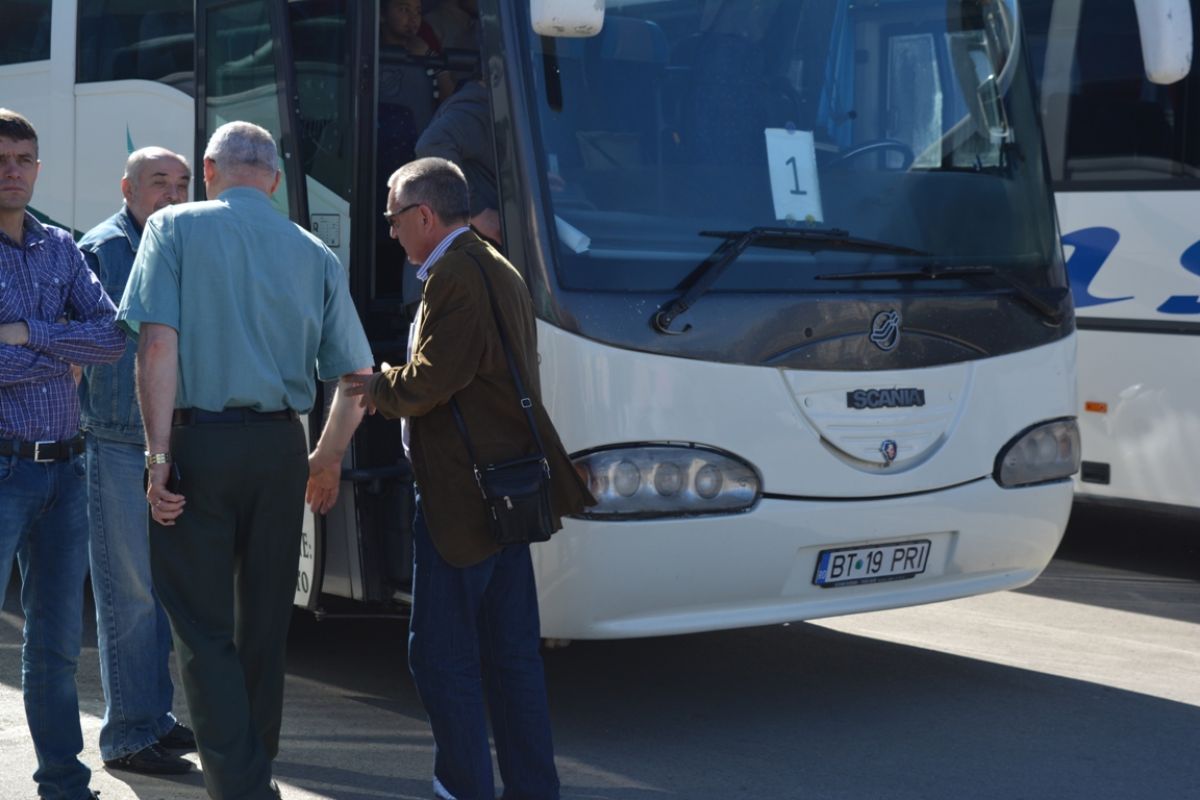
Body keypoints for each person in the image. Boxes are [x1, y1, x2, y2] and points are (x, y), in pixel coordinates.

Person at [117, 120, 373, 800]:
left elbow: (156, 347)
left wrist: (158, 457)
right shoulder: (314, 251)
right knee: (264, 623)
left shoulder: (172, 228)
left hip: (200, 444)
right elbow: (358, 378)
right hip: (281, 449)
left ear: (208, 171)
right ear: (277, 181)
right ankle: (255, 769)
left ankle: (241, 787)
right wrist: (326, 457)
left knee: (200, 624)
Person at [345, 157, 593, 800]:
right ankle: (532, 788)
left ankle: (462, 787)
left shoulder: (455, 273)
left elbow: (433, 381)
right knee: (511, 656)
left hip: (465, 498)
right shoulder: (492, 263)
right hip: (505, 490)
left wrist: (378, 385)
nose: (391, 232)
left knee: (439, 655)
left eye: (394, 218)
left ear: (424, 215)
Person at [0, 107, 126, 800]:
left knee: (54, 645)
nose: (12, 171)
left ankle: (64, 785)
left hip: (67, 472)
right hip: (3, 467)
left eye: (23, 159)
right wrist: (61, 350)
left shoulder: (60, 247)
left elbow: (111, 338)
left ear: (38, 168)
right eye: (0, 160)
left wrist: (27, 333)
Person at [77, 146, 197, 776]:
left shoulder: (179, 241)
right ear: (127, 188)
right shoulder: (102, 250)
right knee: (128, 598)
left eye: (181, 183)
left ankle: (154, 717)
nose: (172, 194)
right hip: (118, 443)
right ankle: (127, 736)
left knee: (157, 594)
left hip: (167, 440)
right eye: (158, 183)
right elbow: (80, 350)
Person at [415, 76, 502, 245]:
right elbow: (431, 147)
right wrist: (477, 212)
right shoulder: (477, 108)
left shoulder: (498, 107)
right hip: (466, 250)